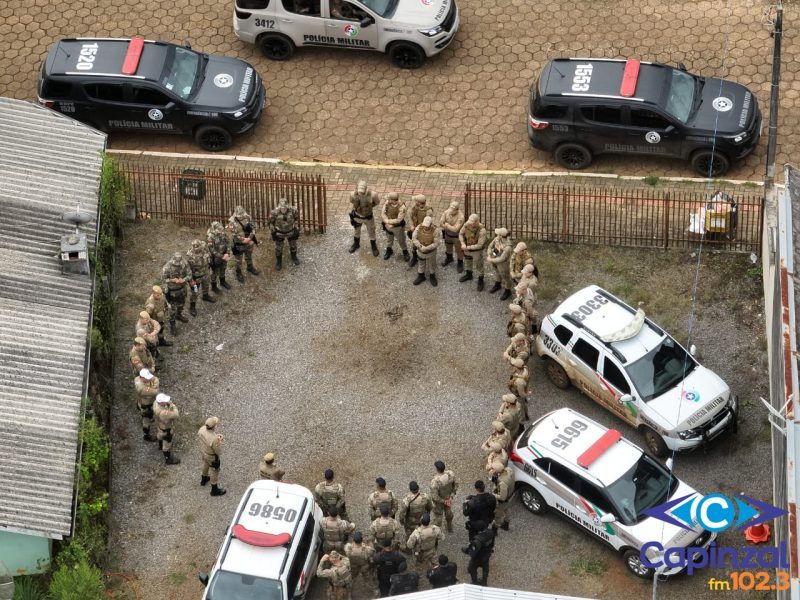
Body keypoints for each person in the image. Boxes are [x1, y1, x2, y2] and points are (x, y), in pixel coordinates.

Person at [161, 251, 191, 333]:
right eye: (176, 264)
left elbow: (189, 275)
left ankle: (179, 315)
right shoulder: (167, 267)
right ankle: (172, 324)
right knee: (172, 309)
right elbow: (163, 280)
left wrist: (183, 279)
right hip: (172, 292)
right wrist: (172, 280)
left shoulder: (184, 263)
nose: (178, 265)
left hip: (182, 289)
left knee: (181, 304)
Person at [229, 205, 260, 281]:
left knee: (249, 255)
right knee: (238, 259)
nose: (240, 217)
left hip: (249, 242)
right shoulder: (232, 221)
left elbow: (254, 227)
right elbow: (234, 234)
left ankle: (250, 267)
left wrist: (250, 238)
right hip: (239, 244)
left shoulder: (248, 217)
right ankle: (238, 272)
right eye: (239, 216)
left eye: (241, 216)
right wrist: (243, 239)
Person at [349, 180, 380, 256]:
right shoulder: (353, 194)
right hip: (357, 216)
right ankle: (356, 244)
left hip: (368, 217)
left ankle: (373, 246)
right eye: (359, 191)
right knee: (356, 231)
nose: (361, 193)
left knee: (371, 231)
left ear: (366, 189)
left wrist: (369, 207)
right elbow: (352, 201)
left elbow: (377, 202)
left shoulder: (373, 195)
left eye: (362, 191)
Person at [269, 198, 301, 270]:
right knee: (278, 248)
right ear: (279, 207)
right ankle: (279, 262)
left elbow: (296, 218)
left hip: (291, 231)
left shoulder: (293, 210)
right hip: (279, 233)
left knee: (293, 245)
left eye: (284, 208)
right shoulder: (274, 212)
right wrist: (273, 232)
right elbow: (271, 222)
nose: (283, 209)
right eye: (282, 208)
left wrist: (295, 227)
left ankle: (294, 257)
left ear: (287, 206)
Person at [197, 416, 226, 496]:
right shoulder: (214, 439)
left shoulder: (202, 429)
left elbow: (207, 437)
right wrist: (219, 440)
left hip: (204, 451)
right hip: (212, 456)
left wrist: (216, 436)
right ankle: (214, 489)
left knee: (205, 464)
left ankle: (204, 478)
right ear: (213, 426)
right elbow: (218, 451)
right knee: (214, 471)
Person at [186, 238, 215, 316]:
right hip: (196, 278)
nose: (197, 249)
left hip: (205, 273)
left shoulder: (204, 247)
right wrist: (191, 280)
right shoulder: (190, 256)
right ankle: (192, 306)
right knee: (195, 292)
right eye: (195, 247)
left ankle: (205, 296)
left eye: (198, 247)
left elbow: (209, 253)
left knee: (206, 286)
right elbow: (187, 270)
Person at [458, 214, 487, 291]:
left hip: (476, 251)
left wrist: (467, 247)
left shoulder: (482, 231)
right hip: (466, 247)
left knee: (479, 264)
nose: (470, 224)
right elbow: (460, 234)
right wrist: (462, 243)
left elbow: (480, 245)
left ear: (477, 222)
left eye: (472, 222)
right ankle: (469, 274)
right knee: (468, 261)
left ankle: (481, 279)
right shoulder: (466, 225)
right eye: (470, 222)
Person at [462, 521, 495, 586]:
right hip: (487, 555)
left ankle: (474, 582)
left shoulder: (478, 540)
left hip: (478, 558)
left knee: (472, 568)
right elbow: (492, 544)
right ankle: (484, 582)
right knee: (485, 568)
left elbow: (472, 553)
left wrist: (465, 549)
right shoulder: (491, 532)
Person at [411, 215, 442, 287]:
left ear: (431, 224)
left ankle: (432, 275)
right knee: (421, 263)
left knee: (432, 264)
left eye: (428, 226)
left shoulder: (436, 230)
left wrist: (427, 248)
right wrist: (420, 246)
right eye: (425, 225)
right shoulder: (419, 227)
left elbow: (437, 243)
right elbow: (414, 238)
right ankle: (421, 275)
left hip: (431, 252)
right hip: (420, 250)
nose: (426, 227)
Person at [380, 192, 410, 261]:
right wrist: (386, 222)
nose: (388, 200)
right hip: (388, 225)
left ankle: (405, 251)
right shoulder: (387, 203)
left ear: (393, 200)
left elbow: (399, 220)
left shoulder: (402, 207)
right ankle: (389, 250)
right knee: (389, 239)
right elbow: (383, 213)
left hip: (398, 227)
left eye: (389, 199)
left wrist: (389, 222)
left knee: (401, 240)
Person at [430, 460, 458, 532]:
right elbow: (456, 485)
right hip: (448, 498)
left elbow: (434, 497)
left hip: (439, 503)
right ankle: (449, 528)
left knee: (437, 518)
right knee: (449, 514)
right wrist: (451, 496)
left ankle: (436, 534)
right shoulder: (451, 474)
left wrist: (443, 501)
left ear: (436, 469)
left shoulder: (435, 481)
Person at [486, 227, 513, 300]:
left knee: (505, 277)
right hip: (494, 259)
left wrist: (490, 260)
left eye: (498, 234)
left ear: (501, 236)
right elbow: (490, 246)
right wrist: (489, 254)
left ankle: (508, 290)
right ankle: (498, 284)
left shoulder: (508, 247)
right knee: (497, 272)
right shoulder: (496, 239)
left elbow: (502, 259)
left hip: (503, 264)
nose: (497, 235)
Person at [406, 195, 433, 267]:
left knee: (423, 244)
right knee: (414, 245)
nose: (414, 202)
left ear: (419, 203)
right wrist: (411, 225)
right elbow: (409, 215)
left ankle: (424, 257)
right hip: (414, 228)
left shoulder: (428, 211)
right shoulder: (415, 207)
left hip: (423, 230)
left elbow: (427, 223)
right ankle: (415, 258)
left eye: (416, 201)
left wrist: (417, 229)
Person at [153, 393, 180, 465]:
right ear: (161, 403)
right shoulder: (163, 413)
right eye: (165, 401)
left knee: (159, 435)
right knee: (167, 445)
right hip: (166, 429)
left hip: (160, 426)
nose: (168, 401)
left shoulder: (155, 403)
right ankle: (168, 459)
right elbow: (176, 415)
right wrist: (173, 406)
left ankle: (160, 445)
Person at [133, 368, 159, 442]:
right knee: (146, 420)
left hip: (143, 401)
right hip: (146, 404)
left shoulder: (137, 378)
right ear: (142, 378)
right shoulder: (141, 387)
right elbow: (155, 392)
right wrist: (154, 385)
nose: (149, 379)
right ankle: (146, 435)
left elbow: (155, 379)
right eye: (147, 378)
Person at [439, 201, 465, 272]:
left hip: (456, 237)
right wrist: (448, 226)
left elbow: (456, 229)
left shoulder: (461, 217)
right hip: (447, 235)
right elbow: (441, 223)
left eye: (453, 210)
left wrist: (446, 225)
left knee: (459, 250)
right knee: (448, 247)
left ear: (457, 210)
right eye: (450, 209)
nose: (450, 211)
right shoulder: (446, 212)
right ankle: (449, 258)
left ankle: (460, 262)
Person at [206, 221, 232, 292]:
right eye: (219, 230)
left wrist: (227, 253)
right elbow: (211, 250)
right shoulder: (210, 237)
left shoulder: (223, 233)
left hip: (224, 255)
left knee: (223, 268)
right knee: (215, 272)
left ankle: (222, 281)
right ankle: (214, 286)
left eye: (221, 230)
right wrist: (222, 256)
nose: (220, 232)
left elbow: (229, 243)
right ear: (214, 229)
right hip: (215, 258)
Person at [490, 461, 515, 531]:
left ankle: (494, 529)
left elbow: (502, 497)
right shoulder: (508, 470)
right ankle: (506, 523)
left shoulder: (502, 483)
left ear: (497, 471)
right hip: (511, 495)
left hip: (504, 500)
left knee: (498, 515)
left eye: (493, 469)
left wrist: (492, 495)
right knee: (506, 509)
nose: (491, 470)